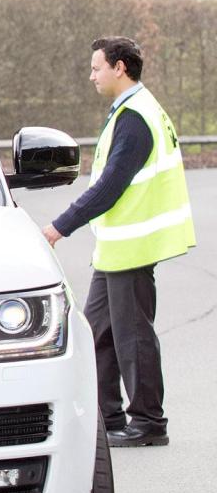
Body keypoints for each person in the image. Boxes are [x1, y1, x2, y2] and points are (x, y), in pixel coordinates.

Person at [42, 37, 196, 448]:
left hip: (132, 247)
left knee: (133, 337)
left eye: (97, 67)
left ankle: (148, 422)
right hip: (115, 248)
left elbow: (111, 186)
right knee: (97, 335)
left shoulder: (135, 118)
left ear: (120, 68)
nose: (91, 75)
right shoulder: (132, 111)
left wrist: (60, 226)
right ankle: (107, 418)